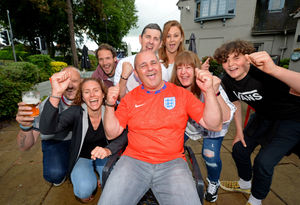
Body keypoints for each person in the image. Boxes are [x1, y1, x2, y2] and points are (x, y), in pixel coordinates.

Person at [98, 50, 223, 205]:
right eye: (143, 65)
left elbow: (214, 125)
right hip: (133, 162)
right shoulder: (130, 98)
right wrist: (110, 105)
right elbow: (111, 134)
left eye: (153, 63)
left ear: (159, 66)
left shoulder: (181, 94)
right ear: (136, 74)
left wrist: (209, 91)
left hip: (173, 164)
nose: (150, 68)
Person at [213, 40, 300, 205]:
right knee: (239, 148)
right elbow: (236, 103)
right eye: (225, 60)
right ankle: (244, 184)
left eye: (236, 58)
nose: (230, 64)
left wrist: (275, 70)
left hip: (291, 119)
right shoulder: (228, 80)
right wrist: (239, 131)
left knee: (264, 162)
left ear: (247, 58)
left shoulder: (263, 72)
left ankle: (255, 200)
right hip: (263, 116)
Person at [39, 74, 127, 203]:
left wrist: (108, 150)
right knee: (83, 191)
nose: (92, 95)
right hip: (82, 156)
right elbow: (47, 129)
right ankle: (90, 176)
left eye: (96, 90)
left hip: (105, 154)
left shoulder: (112, 110)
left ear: (103, 94)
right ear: (82, 97)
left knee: (115, 187)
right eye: (87, 92)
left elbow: (125, 134)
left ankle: (99, 175)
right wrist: (56, 93)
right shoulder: (76, 112)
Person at [170, 50, 236, 203]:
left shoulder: (209, 83)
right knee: (171, 147)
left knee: (210, 155)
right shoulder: (174, 88)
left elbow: (226, 118)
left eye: (188, 67)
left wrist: (214, 91)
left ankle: (214, 182)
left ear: (196, 69)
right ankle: (175, 178)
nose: (184, 72)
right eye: (180, 68)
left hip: (213, 127)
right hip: (191, 127)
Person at [16, 66, 81, 186]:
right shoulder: (46, 105)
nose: (70, 85)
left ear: (82, 82)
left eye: (74, 81)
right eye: (65, 81)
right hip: (56, 142)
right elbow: (25, 147)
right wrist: (25, 127)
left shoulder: (88, 100)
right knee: (54, 174)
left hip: (79, 142)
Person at [113, 23, 162, 99]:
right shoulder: (124, 63)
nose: (151, 42)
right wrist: (124, 77)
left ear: (160, 44)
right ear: (140, 39)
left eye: (156, 39)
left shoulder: (163, 69)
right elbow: (118, 98)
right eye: (148, 37)